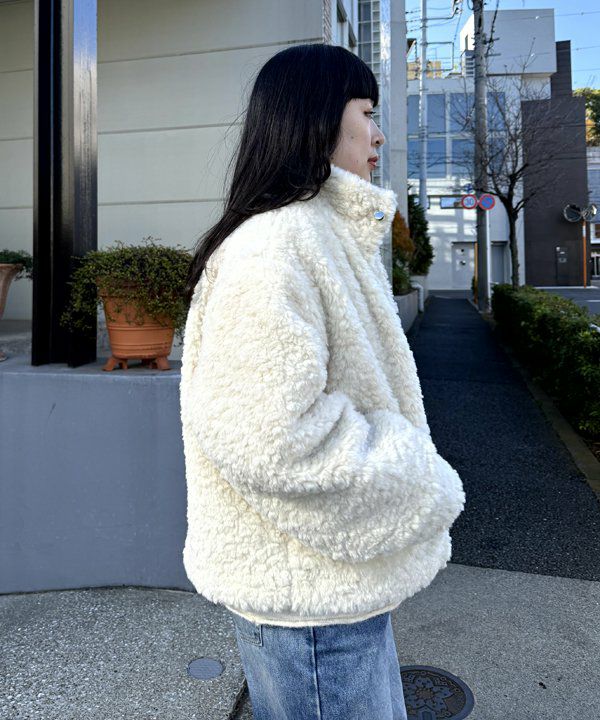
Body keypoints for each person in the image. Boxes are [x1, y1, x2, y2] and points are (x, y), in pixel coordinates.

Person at [179, 43, 466, 720]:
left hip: (326, 589)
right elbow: (272, 440)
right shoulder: (274, 247)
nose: (379, 134)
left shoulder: (315, 235)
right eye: (366, 112)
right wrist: (414, 474)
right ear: (317, 119)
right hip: (310, 605)